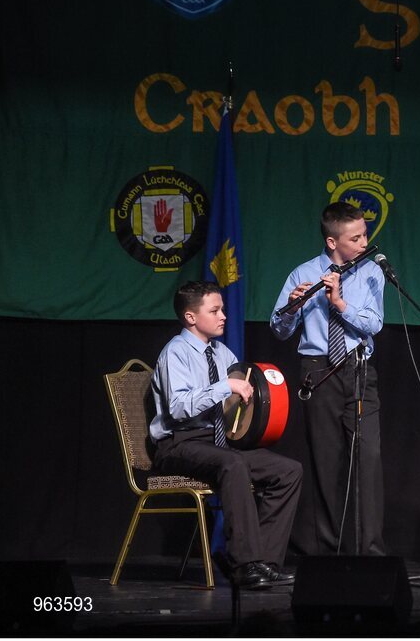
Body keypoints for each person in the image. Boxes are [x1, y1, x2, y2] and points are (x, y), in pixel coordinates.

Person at [150, 281, 302, 590]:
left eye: (223, 309)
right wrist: (225, 387)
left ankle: (265, 563)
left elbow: (234, 400)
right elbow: (178, 409)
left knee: (288, 470)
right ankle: (244, 565)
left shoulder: (221, 353)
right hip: (179, 443)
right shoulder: (175, 353)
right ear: (191, 317)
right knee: (233, 464)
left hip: (218, 443)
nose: (223, 316)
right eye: (215, 310)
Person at [270, 202, 386, 556]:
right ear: (333, 242)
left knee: (368, 459)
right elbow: (278, 329)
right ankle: (326, 551)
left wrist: (340, 304)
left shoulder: (370, 273)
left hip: (358, 369)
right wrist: (292, 307)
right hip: (317, 370)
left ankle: (369, 551)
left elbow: (375, 323)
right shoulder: (302, 273)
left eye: (365, 234)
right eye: (356, 237)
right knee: (325, 460)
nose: (365, 242)